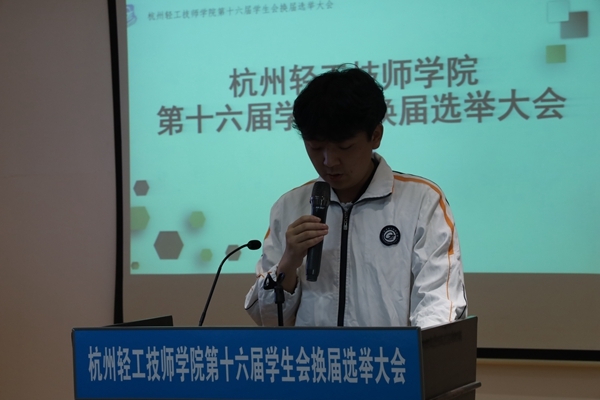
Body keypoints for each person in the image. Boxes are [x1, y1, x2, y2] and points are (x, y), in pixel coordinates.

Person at [244, 67, 467, 328]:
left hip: (390, 354)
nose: (329, 161)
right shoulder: (289, 206)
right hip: (314, 355)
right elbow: (267, 319)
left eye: (345, 147)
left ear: (376, 136)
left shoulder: (422, 202)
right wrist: (288, 263)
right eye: (316, 147)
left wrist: (410, 349)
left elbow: (439, 305)